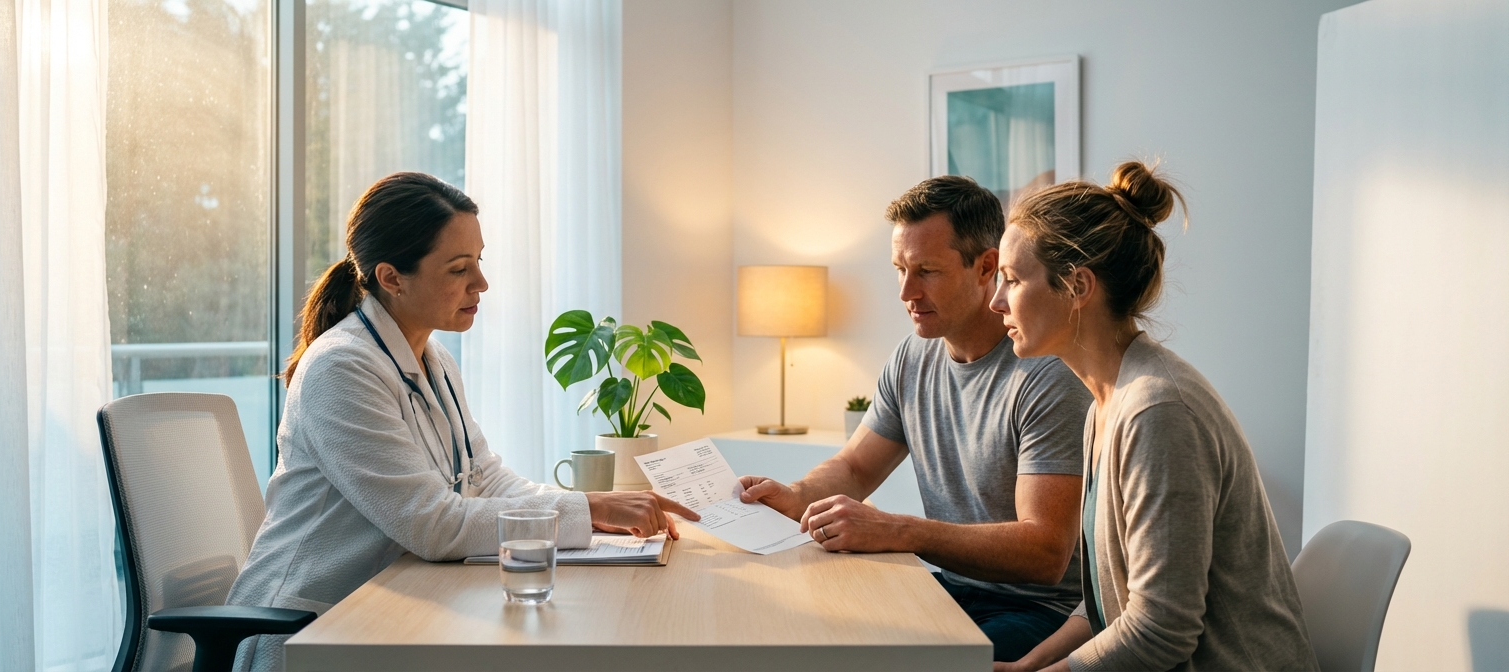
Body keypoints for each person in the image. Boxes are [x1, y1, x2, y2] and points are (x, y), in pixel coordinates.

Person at [225, 172, 698, 671]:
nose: (481, 283)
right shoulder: (340, 369)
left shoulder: (434, 358)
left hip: (395, 607)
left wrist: (592, 513)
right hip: (309, 631)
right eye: (458, 269)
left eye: (478, 260)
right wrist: (588, 508)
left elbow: (484, 477)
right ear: (391, 278)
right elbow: (431, 524)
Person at [738, 175, 1093, 662]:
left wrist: (899, 530)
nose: (907, 291)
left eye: (927, 271)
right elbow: (857, 468)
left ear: (986, 266)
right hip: (951, 588)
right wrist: (796, 495)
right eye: (900, 269)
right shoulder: (913, 357)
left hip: (1038, 610)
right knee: (809, 633)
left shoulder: (1048, 376)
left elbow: (1044, 553)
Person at [989, 161, 1317, 671]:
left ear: (1077, 286)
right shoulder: (1106, 403)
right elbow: (1112, 595)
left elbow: (1161, 631)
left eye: (1011, 279)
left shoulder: (1157, 412)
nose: (995, 301)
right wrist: (1026, 667)